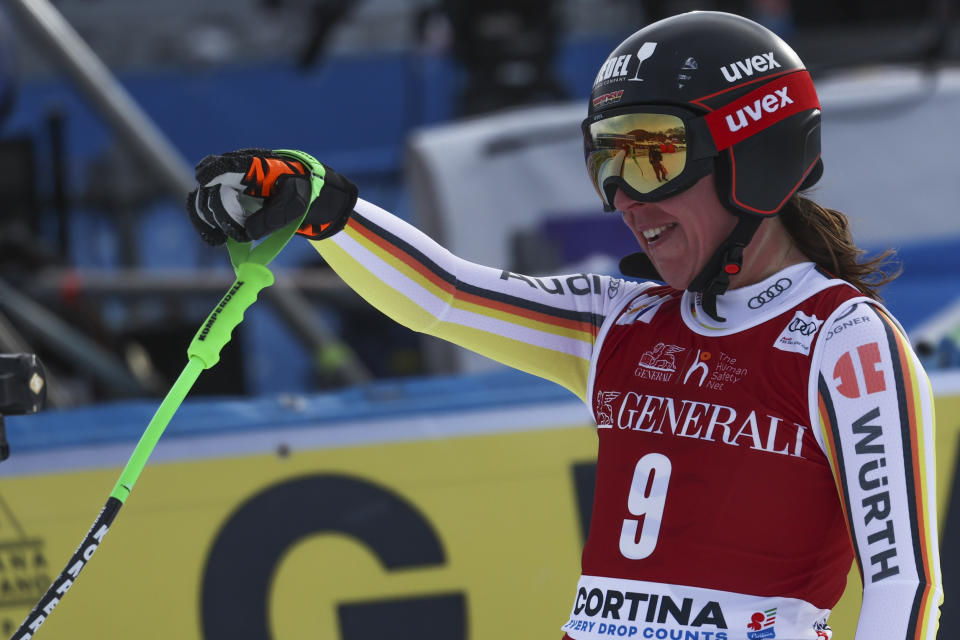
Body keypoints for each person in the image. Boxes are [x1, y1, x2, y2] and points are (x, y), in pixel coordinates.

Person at [185, 11, 942, 640]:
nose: (625, 198)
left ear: (755, 154)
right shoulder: (621, 319)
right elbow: (445, 295)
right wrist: (325, 211)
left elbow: (904, 584)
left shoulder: (844, 342)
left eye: (652, 158)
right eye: (605, 161)